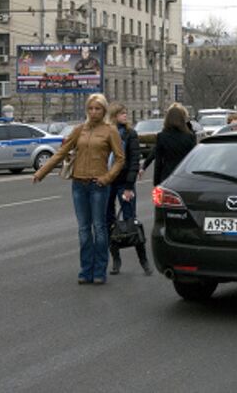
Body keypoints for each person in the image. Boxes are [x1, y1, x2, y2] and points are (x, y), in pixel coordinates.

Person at [33, 93, 125, 285]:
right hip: (79, 185)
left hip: (99, 185)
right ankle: (85, 270)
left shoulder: (110, 131)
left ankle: (99, 271)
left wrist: (107, 178)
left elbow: (119, 159)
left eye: (97, 108)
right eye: (90, 108)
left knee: (99, 228)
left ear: (104, 110)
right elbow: (61, 153)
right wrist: (41, 172)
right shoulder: (79, 130)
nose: (93, 112)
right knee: (84, 229)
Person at [105, 103, 152, 276]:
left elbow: (134, 160)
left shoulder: (130, 134)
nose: (125, 116)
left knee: (131, 222)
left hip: (125, 182)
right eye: (121, 113)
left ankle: (143, 260)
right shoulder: (106, 133)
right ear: (113, 115)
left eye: (126, 113)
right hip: (108, 182)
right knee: (108, 223)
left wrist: (129, 186)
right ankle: (116, 260)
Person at [142, 103, 197, 186]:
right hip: (185, 176)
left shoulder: (162, 137)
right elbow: (194, 160)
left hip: (167, 176)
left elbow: (158, 163)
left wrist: (156, 184)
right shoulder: (190, 137)